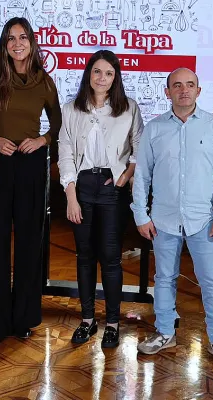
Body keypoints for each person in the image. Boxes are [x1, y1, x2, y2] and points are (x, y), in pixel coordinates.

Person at [131, 68, 213, 367]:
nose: (183, 90)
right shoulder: (153, 129)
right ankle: (165, 332)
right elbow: (141, 176)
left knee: (212, 282)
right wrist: (140, 213)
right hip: (163, 220)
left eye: (190, 85)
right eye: (176, 85)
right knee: (164, 278)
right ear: (167, 92)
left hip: (204, 219)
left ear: (198, 91)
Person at [0, 17, 62, 344]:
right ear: (4, 44)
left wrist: (43, 140)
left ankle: (23, 317)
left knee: (28, 243)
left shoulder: (44, 82)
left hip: (31, 166)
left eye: (23, 37)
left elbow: (58, 125)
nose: (17, 43)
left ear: (32, 43)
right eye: (11, 38)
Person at [57, 50, 144, 348]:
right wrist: (70, 194)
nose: (102, 78)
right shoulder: (71, 109)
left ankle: (113, 323)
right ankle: (87, 320)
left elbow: (139, 147)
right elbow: (65, 152)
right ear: (88, 74)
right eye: (97, 72)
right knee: (84, 256)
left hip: (112, 187)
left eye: (108, 73)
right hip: (81, 186)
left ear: (115, 77)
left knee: (110, 257)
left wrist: (124, 176)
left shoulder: (129, 108)